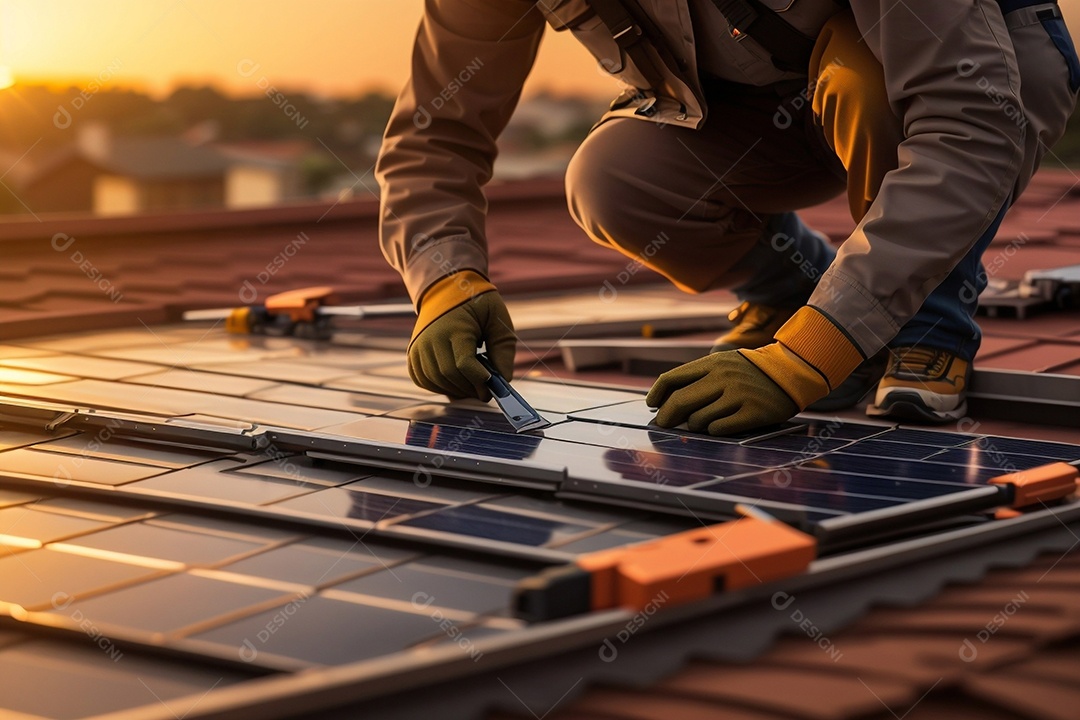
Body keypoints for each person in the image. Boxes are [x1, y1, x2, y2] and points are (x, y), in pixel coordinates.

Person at [376, 0, 1078, 436]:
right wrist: (446, 283)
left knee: (874, 82)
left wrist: (808, 362)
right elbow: (435, 136)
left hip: (978, 82)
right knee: (609, 179)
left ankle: (927, 324)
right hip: (771, 109)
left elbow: (968, 126)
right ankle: (792, 291)